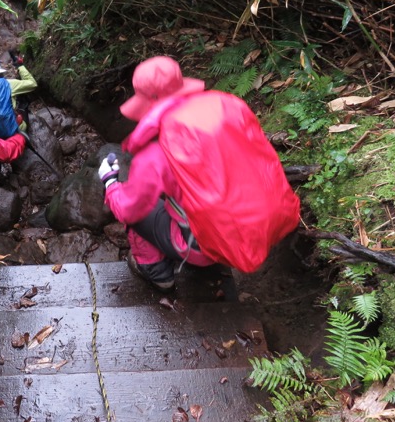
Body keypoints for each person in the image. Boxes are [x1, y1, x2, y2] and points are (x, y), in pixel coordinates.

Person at [99, 56, 299, 291]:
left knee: (136, 214)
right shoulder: (231, 107)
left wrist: (110, 182)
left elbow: (128, 208)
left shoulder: (156, 152)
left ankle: (158, 273)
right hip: (266, 226)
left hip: (208, 245)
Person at [0, 53, 37, 137]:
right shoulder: (8, 83)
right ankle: (25, 133)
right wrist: (20, 66)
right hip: (11, 132)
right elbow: (32, 84)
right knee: (22, 98)